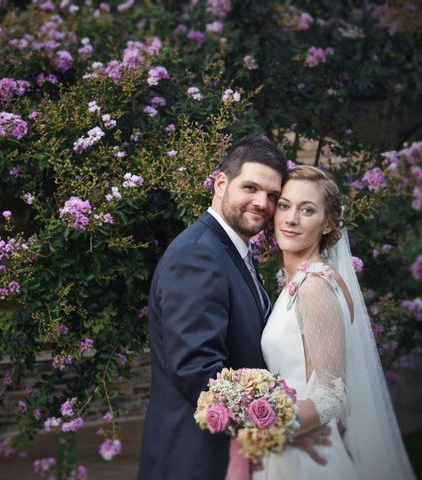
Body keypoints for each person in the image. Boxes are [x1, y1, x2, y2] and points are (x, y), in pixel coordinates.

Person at [137, 136, 329, 480]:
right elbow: (199, 373)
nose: (262, 203)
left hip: (232, 458)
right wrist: (284, 426)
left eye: (272, 196)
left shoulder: (231, 251)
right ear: (221, 183)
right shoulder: (198, 256)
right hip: (197, 460)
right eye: (251, 187)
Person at [252, 165, 415, 479]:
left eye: (307, 210)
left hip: (305, 457)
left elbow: (330, 394)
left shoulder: (315, 287)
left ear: (327, 224)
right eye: (284, 205)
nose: (291, 219)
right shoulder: (304, 282)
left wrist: (261, 431)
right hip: (292, 448)